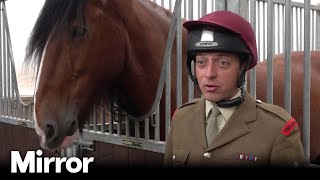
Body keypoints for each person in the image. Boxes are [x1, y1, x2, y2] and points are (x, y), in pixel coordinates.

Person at [163, 10, 306, 167]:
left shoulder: (278, 129)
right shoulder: (181, 119)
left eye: (222, 62)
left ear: (242, 66)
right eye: (201, 62)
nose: (209, 74)